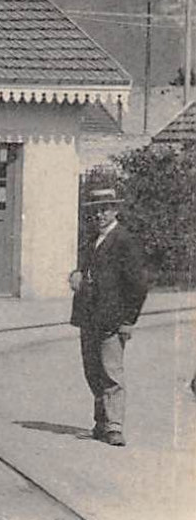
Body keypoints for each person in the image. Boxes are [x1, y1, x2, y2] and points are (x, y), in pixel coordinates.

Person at [68, 188, 150, 447]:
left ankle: (115, 426)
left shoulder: (124, 240)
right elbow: (85, 269)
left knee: (111, 372)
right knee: (92, 370)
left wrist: (128, 320)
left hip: (112, 318)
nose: (99, 214)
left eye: (104, 209)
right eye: (95, 210)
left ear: (116, 210)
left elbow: (138, 284)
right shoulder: (93, 239)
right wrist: (76, 275)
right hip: (89, 315)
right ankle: (101, 423)